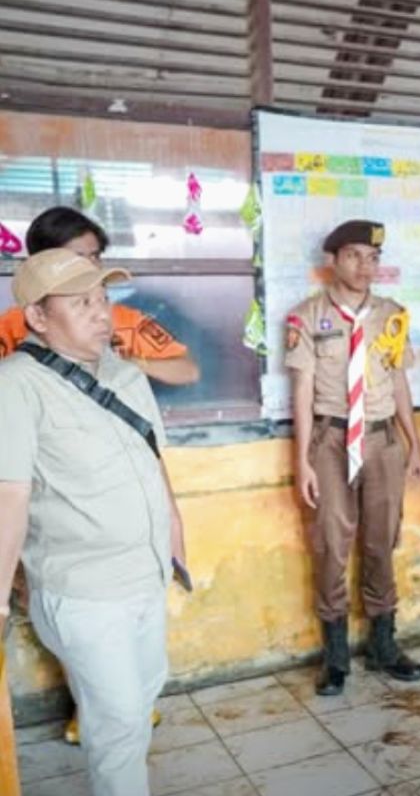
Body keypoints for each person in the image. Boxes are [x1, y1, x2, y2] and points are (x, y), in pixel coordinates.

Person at [0, 248, 187, 796]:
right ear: (38, 316)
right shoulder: (15, 385)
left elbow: (154, 462)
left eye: (103, 299)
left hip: (145, 574)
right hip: (84, 591)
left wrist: (175, 537)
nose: (102, 313)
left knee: (143, 697)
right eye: (81, 303)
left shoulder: (125, 375)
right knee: (119, 723)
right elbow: (9, 496)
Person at [285, 219, 420, 696]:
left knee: (381, 541)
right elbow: (301, 393)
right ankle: (336, 656)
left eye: (373, 258)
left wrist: (415, 445)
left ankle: (385, 646)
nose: (365, 267)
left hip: (383, 441)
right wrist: (302, 460)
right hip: (329, 439)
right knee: (330, 543)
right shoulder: (306, 317)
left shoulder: (392, 315)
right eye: (354, 257)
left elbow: (401, 382)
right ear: (332, 261)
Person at [0, 207, 200, 386]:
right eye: (76, 258)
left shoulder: (124, 320)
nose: (90, 266)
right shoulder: (11, 326)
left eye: (95, 256)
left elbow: (187, 371)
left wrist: (122, 363)